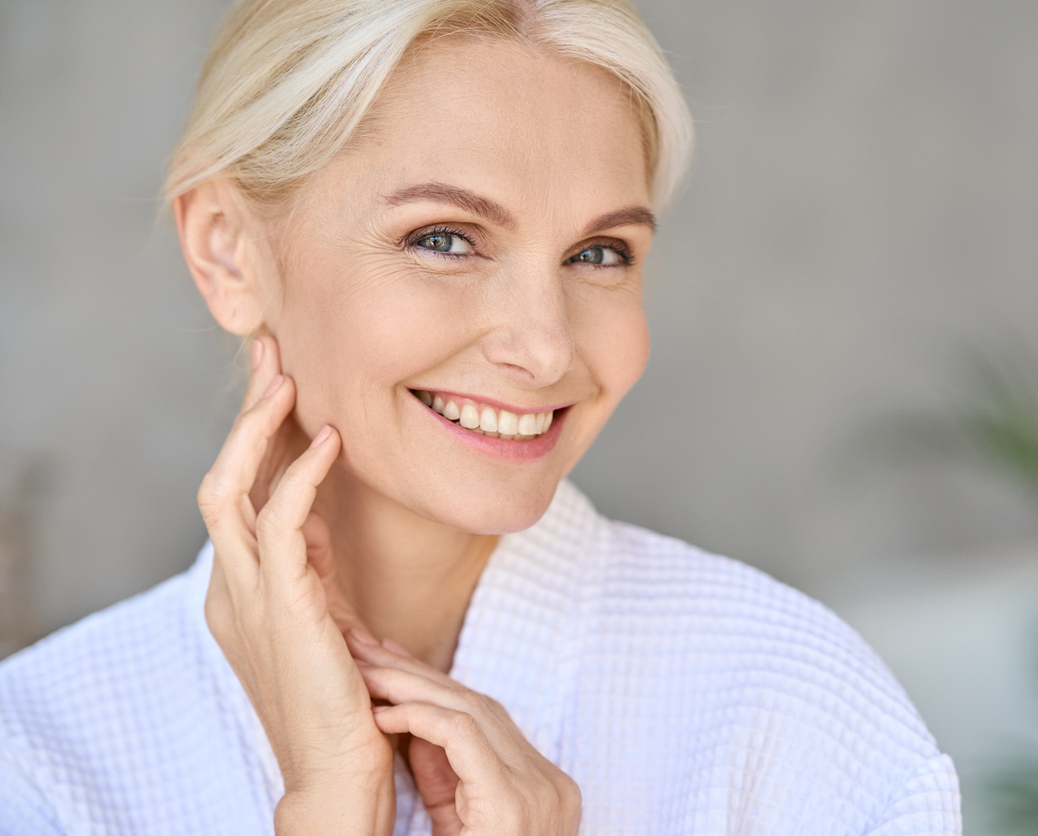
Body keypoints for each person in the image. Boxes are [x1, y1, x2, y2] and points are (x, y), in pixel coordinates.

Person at [0, 1, 961, 833]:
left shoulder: (791, 710)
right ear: (228, 253)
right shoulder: (42, 761)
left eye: (599, 254)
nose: (545, 349)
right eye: (446, 238)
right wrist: (328, 812)